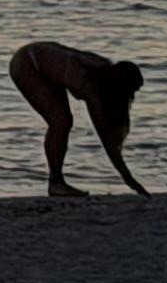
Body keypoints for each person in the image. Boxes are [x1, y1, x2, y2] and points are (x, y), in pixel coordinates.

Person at [9, 40, 148, 197]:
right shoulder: (89, 85)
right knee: (61, 121)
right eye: (131, 92)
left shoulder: (103, 69)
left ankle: (56, 181)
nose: (131, 97)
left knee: (62, 120)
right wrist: (128, 179)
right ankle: (55, 183)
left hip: (41, 59)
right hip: (27, 63)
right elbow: (105, 138)